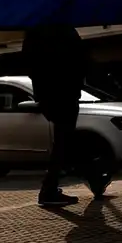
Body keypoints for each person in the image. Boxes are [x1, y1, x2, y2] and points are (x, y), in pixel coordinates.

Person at [23, 25, 108, 206]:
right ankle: (50, 188)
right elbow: (79, 59)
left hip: (49, 94)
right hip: (64, 92)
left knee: (65, 138)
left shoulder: (34, 31)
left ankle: (93, 179)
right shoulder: (63, 30)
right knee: (64, 139)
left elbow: (30, 64)